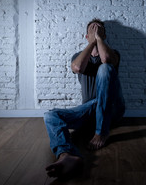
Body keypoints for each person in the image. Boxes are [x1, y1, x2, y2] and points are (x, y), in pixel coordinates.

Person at [44, 18, 126, 179]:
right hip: (89, 109)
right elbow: (77, 67)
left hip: (112, 108)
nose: (95, 31)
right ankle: (66, 155)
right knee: (50, 115)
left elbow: (107, 60)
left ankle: (101, 132)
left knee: (105, 68)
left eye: (99, 29)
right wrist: (92, 42)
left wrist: (99, 39)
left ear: (104, 35)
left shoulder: (114, 53)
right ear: (86, 36)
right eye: (92, 30)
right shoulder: (78, 56)